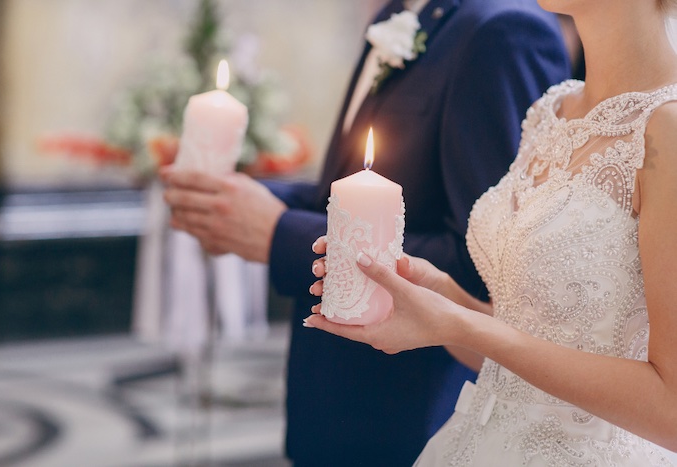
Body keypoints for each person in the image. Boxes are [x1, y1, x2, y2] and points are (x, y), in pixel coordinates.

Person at [161, 0, 570, 464]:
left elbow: (484, 265)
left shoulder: (503, 31)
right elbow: (356, 194)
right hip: (332, 394)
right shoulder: (394, 15)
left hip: (412, 413)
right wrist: (240, 202)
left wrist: (279, 233)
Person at [306, 0, 677, 464]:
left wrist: (464, 323)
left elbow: (671, 411)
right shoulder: (551, 110)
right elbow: (517, 360)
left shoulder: (669, 129)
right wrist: (444, 303)